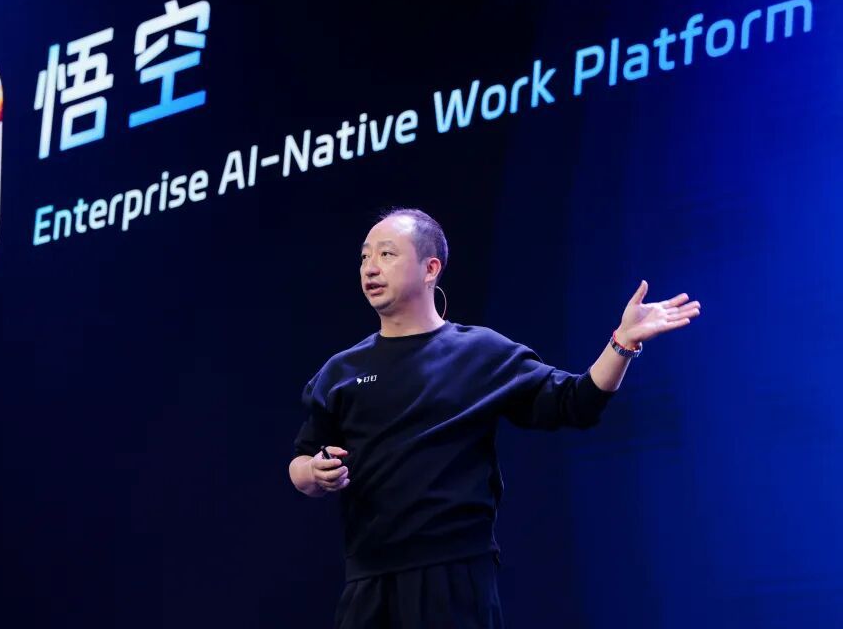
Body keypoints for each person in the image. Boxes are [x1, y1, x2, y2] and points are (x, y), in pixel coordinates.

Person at [288, 207, 700, 628]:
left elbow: (575, 401)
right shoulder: (342, 370)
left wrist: (622, 343)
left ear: (431, 269)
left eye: (386, 254)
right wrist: (313, 472)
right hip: (368, 580)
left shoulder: (480, 353)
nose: (370, 267)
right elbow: (301, 462)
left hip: (454, 576)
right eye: (364, 256)